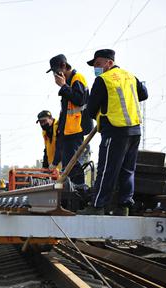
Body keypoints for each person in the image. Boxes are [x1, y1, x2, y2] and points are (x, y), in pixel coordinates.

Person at [78, 49, 148, 216]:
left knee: (107, 169)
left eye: (98, 64)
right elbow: (144, 94)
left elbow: (91, 107)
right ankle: (123, 206)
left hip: (115, 130)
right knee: (127, 170)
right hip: (135, 130)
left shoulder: (103, 80)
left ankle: (97, 206)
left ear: (109, 62)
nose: (96, 68)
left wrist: (104, 110)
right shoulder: (130, 76)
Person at [47, 54, 91, 189]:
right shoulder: (70, 81)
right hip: (69, 130)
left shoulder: (77, 79)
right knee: (68, 164)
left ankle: (79, 188)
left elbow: (79, 100)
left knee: (74, 163)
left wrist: (63, 86)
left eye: (56, 71)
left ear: (64, 66)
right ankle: (71, 190)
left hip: (77, 129)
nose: (55, 75)